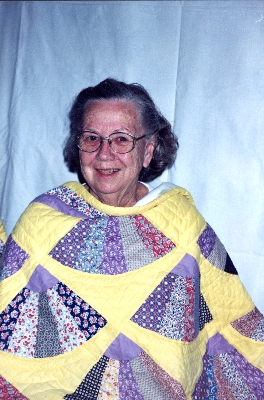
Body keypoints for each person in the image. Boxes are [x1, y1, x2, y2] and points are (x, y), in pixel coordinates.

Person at [0, 78, 263, 399]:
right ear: (77, 145)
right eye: (91, 138)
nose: (104, 153)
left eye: (121, 139)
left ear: (148, 151)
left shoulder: (180, 223)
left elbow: (230, 319)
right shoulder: (43, 219)